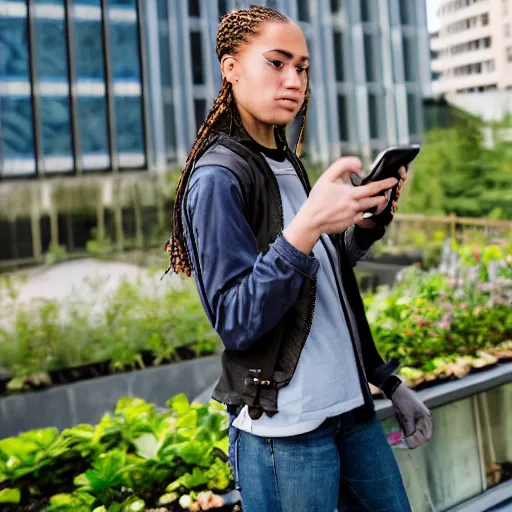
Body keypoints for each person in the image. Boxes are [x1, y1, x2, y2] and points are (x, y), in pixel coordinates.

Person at [164, 6, 433, 512]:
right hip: (286, 430)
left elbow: (322, 285)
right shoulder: (218, 177)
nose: (294, 80)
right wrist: (307, 226)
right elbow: (238, 320)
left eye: (303, 67)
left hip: (352, 412)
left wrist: (366, 224)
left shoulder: (287, 162)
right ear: (231, 68)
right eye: (277, 62)